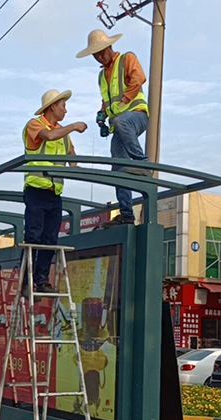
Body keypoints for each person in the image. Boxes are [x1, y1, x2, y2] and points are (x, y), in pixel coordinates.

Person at [77, 29, 150, 227]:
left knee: (120, 122)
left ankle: (142, 163)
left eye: (102, 51)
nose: (100, 56)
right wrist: (102, 114)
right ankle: (126, 214)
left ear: (110, 47)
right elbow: (108, 100)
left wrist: (122, 103)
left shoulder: (127, 58)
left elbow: (139, 78)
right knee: (118, 167)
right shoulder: (102, 76)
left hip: (137, 116)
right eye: (96, 54)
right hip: (120, 125)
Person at [23, 89, 87, 292]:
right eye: (63, 106)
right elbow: (48, 136)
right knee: (34, 236)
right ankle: (26, 281)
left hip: (55, 193)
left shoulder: (64, 135)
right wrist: (73, 127)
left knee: (50, 238)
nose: (65, 110)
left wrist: (78, 163)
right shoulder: (35, 124)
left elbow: (73, 160)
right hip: (36, 189)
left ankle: (41, 280)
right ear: (53, 106)